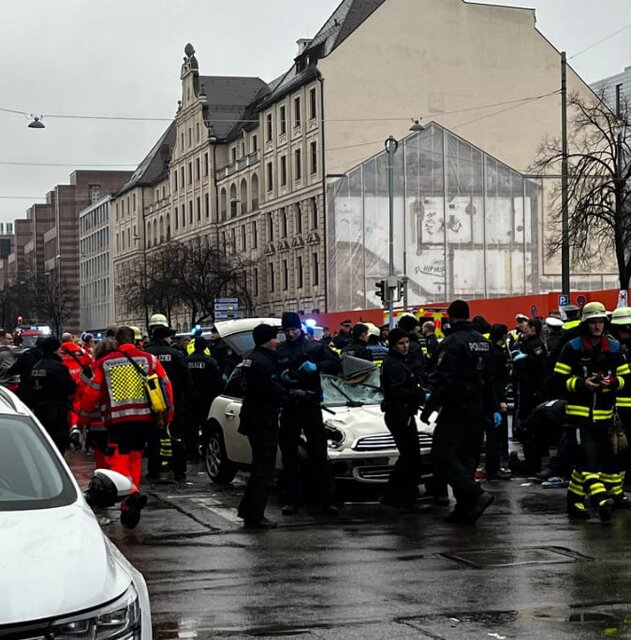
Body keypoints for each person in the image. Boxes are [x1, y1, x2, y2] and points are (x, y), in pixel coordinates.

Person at [79, 326, 174, 528]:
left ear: (117, 341)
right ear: (135, 339)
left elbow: (92, 394)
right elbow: (166, 386)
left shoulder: (105, 363)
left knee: (118, 458)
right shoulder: (149, 360)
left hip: (118, 420)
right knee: (135, 457)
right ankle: (129, 503)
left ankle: (131, 492)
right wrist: (168, 415)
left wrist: (83, 419)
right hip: (145, 419)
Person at [422, 299, 499, 523]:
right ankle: (465, 508)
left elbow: (443, 380)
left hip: (456, 407)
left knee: (441, 455)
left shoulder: (451, 343)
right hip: (478, 408)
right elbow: (490, 379)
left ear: (451, 317)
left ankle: (475, 494)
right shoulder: (482, 342)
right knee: (467, 457)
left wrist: (428, 409)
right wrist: (492, 407)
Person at [553, 301, 630, 522]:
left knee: (589, 462)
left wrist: (614, 381)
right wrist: (580, 384)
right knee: (588, 461)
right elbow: (557, 381)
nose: (597, 327)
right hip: (579, 417)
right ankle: (600, 500)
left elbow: (628, 380)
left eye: (600, 322)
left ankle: (574, 501)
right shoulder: (573, 348)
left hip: (605, 418)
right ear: (585, 324)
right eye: (593, 322)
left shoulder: (615, 349)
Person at [277, 311, 341, 515]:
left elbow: (336, 365)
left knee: (319, 453)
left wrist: (316, 367)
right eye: (287, 330)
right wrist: (284, 380)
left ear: (300, 328)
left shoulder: (314, 347)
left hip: (310, 403)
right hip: (290, 405)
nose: (291, 334)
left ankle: (327, 499)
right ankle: (292, 499)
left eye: (293, 329)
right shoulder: (280, 350)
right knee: (289, 455)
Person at [237, 324, 294, 529]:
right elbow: (271, 390)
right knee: (263, 469)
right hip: (262, 419)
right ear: (266, 340)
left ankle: (248, 510)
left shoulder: (250, 358)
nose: (277, 342)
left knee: (258, 468)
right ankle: (255, 515)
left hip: (253, 418)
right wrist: (293, 394)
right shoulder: (263, 362)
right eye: (274, 338)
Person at [379, 328, 431, 513]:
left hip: (405, 413)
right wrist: (419, 396)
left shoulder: (402, 361)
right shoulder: (393, 364)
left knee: (410, 457)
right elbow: (396, 391)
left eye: (407, 342)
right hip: (399, 414)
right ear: (393, 345)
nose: (405, 346)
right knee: (410, 457)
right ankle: (399, 497)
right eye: (401, 343)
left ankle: (397, 497)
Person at [145, 324, 192, 481]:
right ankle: (179, 471)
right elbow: (186, 379)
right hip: (174, 402)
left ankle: (154, 470)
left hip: (152, 402)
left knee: (153, 438)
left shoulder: (146, 355)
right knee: (176, 436)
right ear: (165, 338)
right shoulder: (176, 354)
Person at [30, 337, 76, 455]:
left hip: (40, 408)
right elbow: (70, 387)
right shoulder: (58, 367)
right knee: (58, 441)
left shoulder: (36, 366)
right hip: (57, 408)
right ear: (54, 349)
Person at [512, 318, 548, 447]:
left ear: (533, 329)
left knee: (531, 413)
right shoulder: (526, 342)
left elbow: (540, 364)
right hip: (525, 383)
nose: (524, 329)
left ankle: (534, 440)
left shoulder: (536, 344)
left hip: (533, 386)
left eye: (526, 327)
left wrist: (526, 358)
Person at [187, 336, 223, 461]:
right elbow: (218, 382)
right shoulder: (210, 361)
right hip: (206, 399)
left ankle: (192, 452)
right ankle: (204, 451)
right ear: (205, 347)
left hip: (190, 399)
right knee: (205, 426)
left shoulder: (186, 360)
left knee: (191, 427)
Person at [485, 323, 511, 480]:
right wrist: (500, 401)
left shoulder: (492, 350)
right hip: (495, 398)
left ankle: (493, 466)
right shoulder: (496, 353)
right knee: (494, 436)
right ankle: (493, 468)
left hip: (492, 397)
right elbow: (495, 380)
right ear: (503, 336)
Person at [7, 337, 44, 407]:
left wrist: (9, 369)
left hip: (27, 389)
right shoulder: (51, 357)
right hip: (45, 393)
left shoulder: (28, 354)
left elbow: (15, 369)